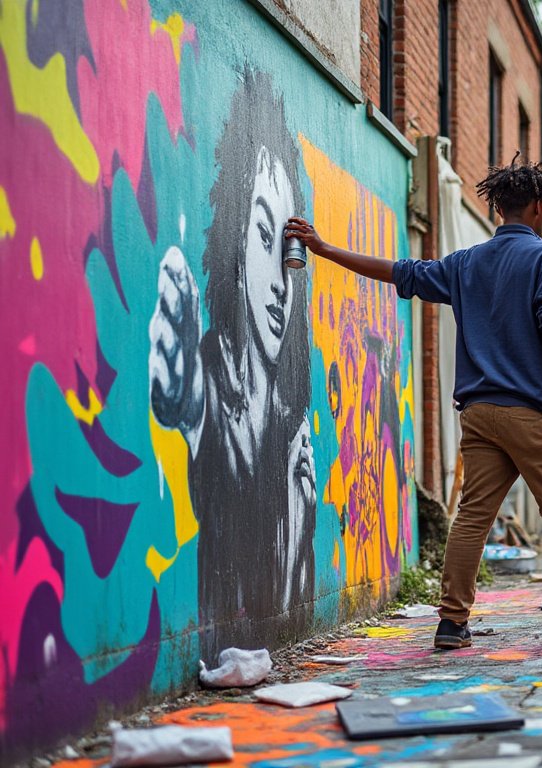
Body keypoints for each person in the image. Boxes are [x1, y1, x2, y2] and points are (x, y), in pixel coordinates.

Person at [283, 157, 542, 649]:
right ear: (536, 208)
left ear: (497, 208)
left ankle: (452, 623)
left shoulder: (465, 263)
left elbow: (401, 273)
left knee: (472, 516)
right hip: (535, 412)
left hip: (480, 414)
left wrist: (324, 249)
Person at [149, 68, 315, 657]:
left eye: (289, 251)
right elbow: (189, 399)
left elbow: (294, 600)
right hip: (212, 646)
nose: (278, 282)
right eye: (263, 237)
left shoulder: (294, 427)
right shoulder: (213, 368)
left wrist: (299, 529)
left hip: (263, 652)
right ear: (237, 252)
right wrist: (179, 387)